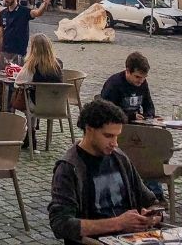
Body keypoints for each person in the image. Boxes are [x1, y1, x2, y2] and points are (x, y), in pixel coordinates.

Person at [49, 99, 161, 244]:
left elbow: (152, 202)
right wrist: (119, 223)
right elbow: (60, 224)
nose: (115, 143)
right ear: (89, 129)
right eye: (108, 136)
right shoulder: (69, 168)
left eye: (117, 136)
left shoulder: (119, 158)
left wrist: (152, 217)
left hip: (132, 238)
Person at [0, 0, 51, 69]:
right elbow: (1, 37)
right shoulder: (2, 14)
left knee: (16, 79)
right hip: (5, 52)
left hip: (19, 53)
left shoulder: (23, 11)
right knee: (2, 79)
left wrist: (45, 4)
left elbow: (37, 13)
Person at [99, 52, 155, 123]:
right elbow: (106, 111)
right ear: (128, 71)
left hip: (136, 122)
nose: (141, 81)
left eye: (144, 77)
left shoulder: (143, 83)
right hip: (116, 123)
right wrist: (131, 116)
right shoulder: (114, 84)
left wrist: (148, 116)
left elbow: (149, 105)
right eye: (137, 77)